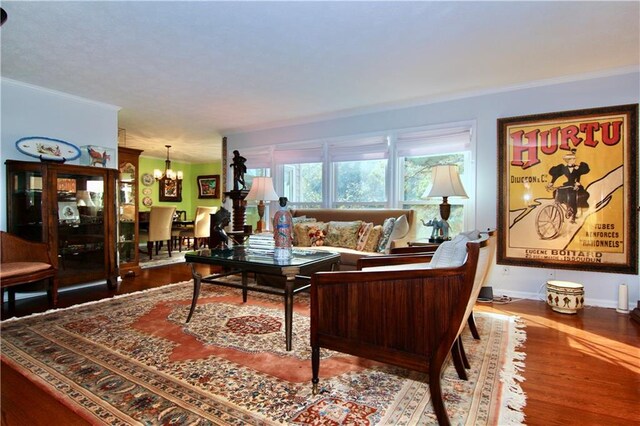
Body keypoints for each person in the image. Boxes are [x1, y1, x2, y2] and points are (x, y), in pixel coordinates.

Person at [546, 149, 590, 223]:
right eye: (572, 159)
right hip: (568, 185)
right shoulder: (564, 168)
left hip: (574, 185)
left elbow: (578, 176)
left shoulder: (577, 168)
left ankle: (573, 216)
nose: (574, 160)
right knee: (558, 192)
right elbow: (556, 175)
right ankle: (568, 207)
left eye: (574, 159)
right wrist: (551, 183)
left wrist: (577, 184)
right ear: (568, 160)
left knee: (572, 198)